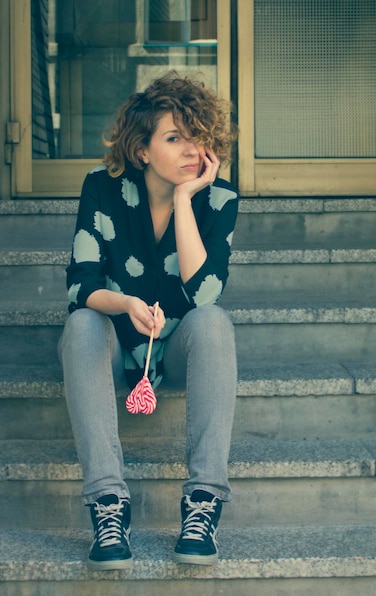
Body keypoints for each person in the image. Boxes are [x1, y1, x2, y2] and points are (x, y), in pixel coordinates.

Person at [58, 71, 239, 571]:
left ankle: (202, 503)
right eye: (174, 137)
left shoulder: (218, 199)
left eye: (197, 136)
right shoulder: (102, 189)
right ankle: (108, 505)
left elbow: (203, 293)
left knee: (214, 323)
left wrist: (185, 199)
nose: (190, 149)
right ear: (141, 150)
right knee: (82, 324)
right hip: (114, 345)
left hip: (179, 346)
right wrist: (124, 305)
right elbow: (80, 284)